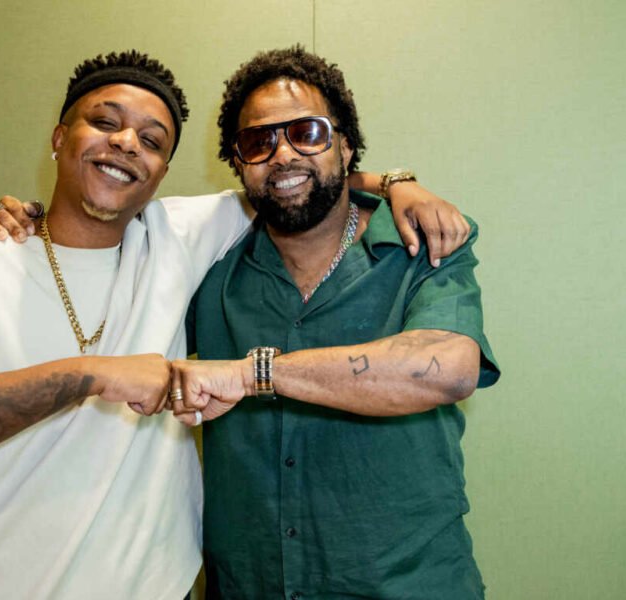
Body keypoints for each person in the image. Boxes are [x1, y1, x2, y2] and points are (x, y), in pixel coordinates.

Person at [0, 50, 469, 599]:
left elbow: (297, 181)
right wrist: (93, 374)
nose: (127, 143)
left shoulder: (180, 239)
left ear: (162, 172)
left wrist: (397, 183)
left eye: (152, 140)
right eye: (105, 122)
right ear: (59, 137)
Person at [164, 46, 502, 599]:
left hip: (408, 587)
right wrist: (30, 230)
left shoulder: (425, 244)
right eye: (259, 142)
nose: (283, 154)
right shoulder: (210, 269)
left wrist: (254, 374)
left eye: (307, 133)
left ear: (345, 145)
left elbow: (450, 369)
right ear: (238, 163)